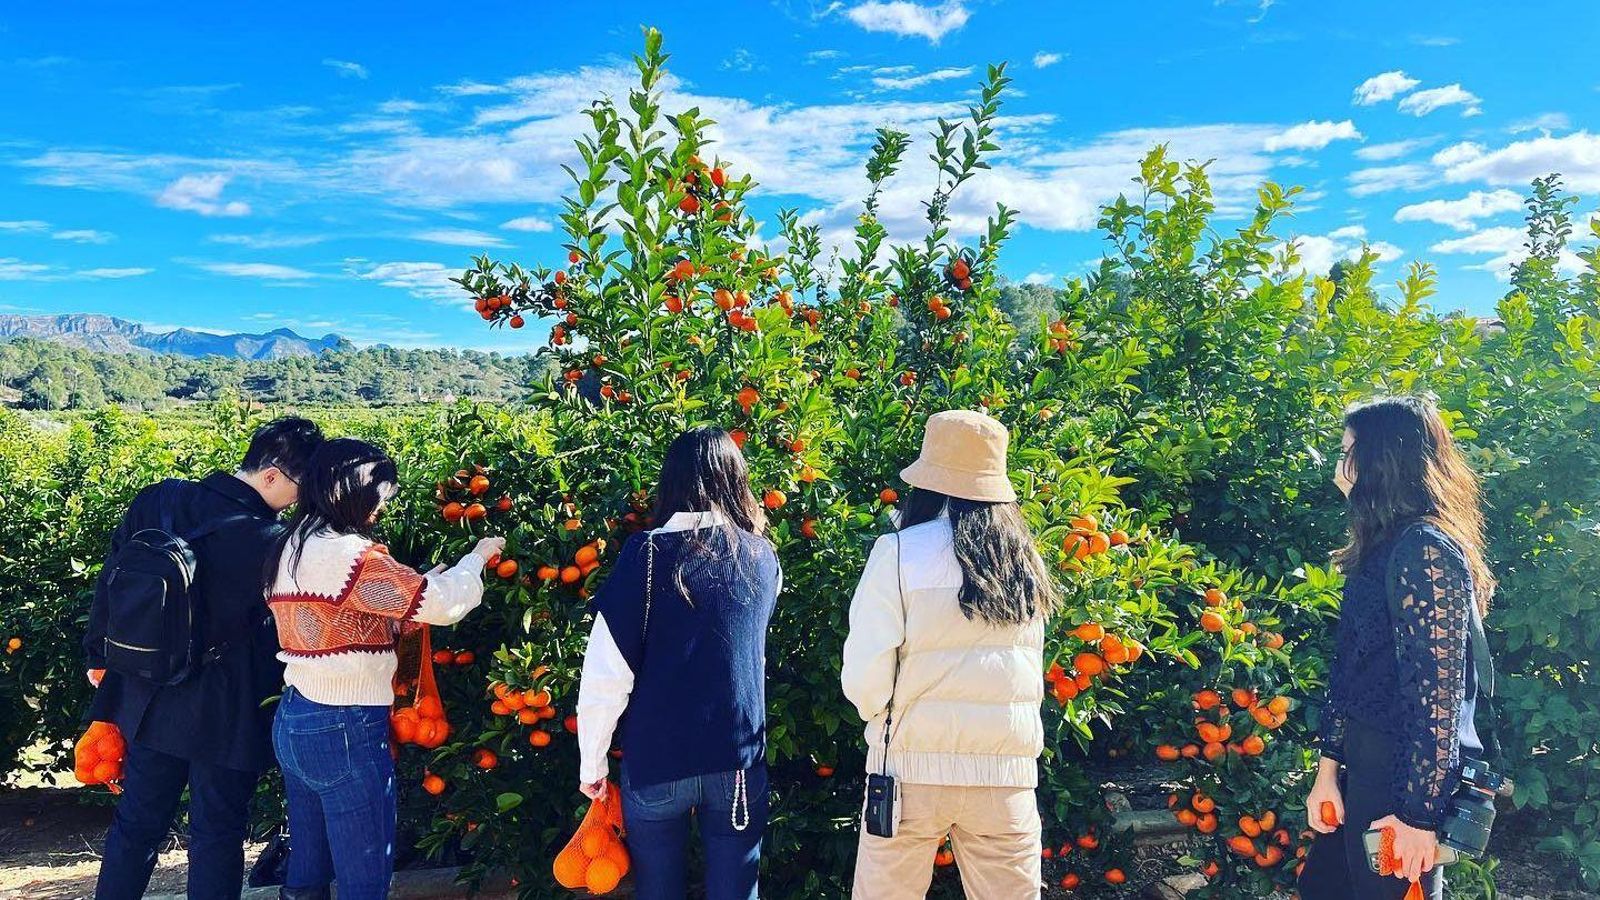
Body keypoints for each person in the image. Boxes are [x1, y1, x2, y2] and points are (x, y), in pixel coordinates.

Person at [85, 416, 325, 900]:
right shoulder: (273, 542)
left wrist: (100, 656)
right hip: (226, 704)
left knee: (136, 825)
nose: (301, 500)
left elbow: (111, 578)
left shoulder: (159, 499)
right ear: (273, 474)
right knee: (217, 834)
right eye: (302, 487)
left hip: (146, 690)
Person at [265, 438, 501, 900]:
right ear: (352, 491)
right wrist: (477, 559)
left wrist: (417, 585)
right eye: (379, 495)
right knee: (365, 876)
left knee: (307, 868)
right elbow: (444, 604)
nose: (379, 508)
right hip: (345, 724)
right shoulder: (351, 555)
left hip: (296, 717)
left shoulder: (289, 545)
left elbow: (344, 614)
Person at [842, 409, 1058, 900]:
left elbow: (866, 672)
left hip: (908, 772)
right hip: (1005, 776)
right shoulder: (1024, 560)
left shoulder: (897, 551)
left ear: (929, 482)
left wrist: (881, 717)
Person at [1299, 396, 1496, 900]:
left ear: (1381, 460)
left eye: (1348, 450)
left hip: (1401, 780)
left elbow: (1439, 700)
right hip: (1360, 771)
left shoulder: (1425, 548)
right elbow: (1351, 672)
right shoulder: (1384, 547)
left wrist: (1417, 818)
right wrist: (1328, 773)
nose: (1340, 465)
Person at [575, 426, 781, 900]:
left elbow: (607, 673)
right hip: (735, 756)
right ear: (736, 479)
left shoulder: (643, 556)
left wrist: (593, 764)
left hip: (658, 757)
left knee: (658, 889)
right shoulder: (763, 556)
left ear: (670, 481)